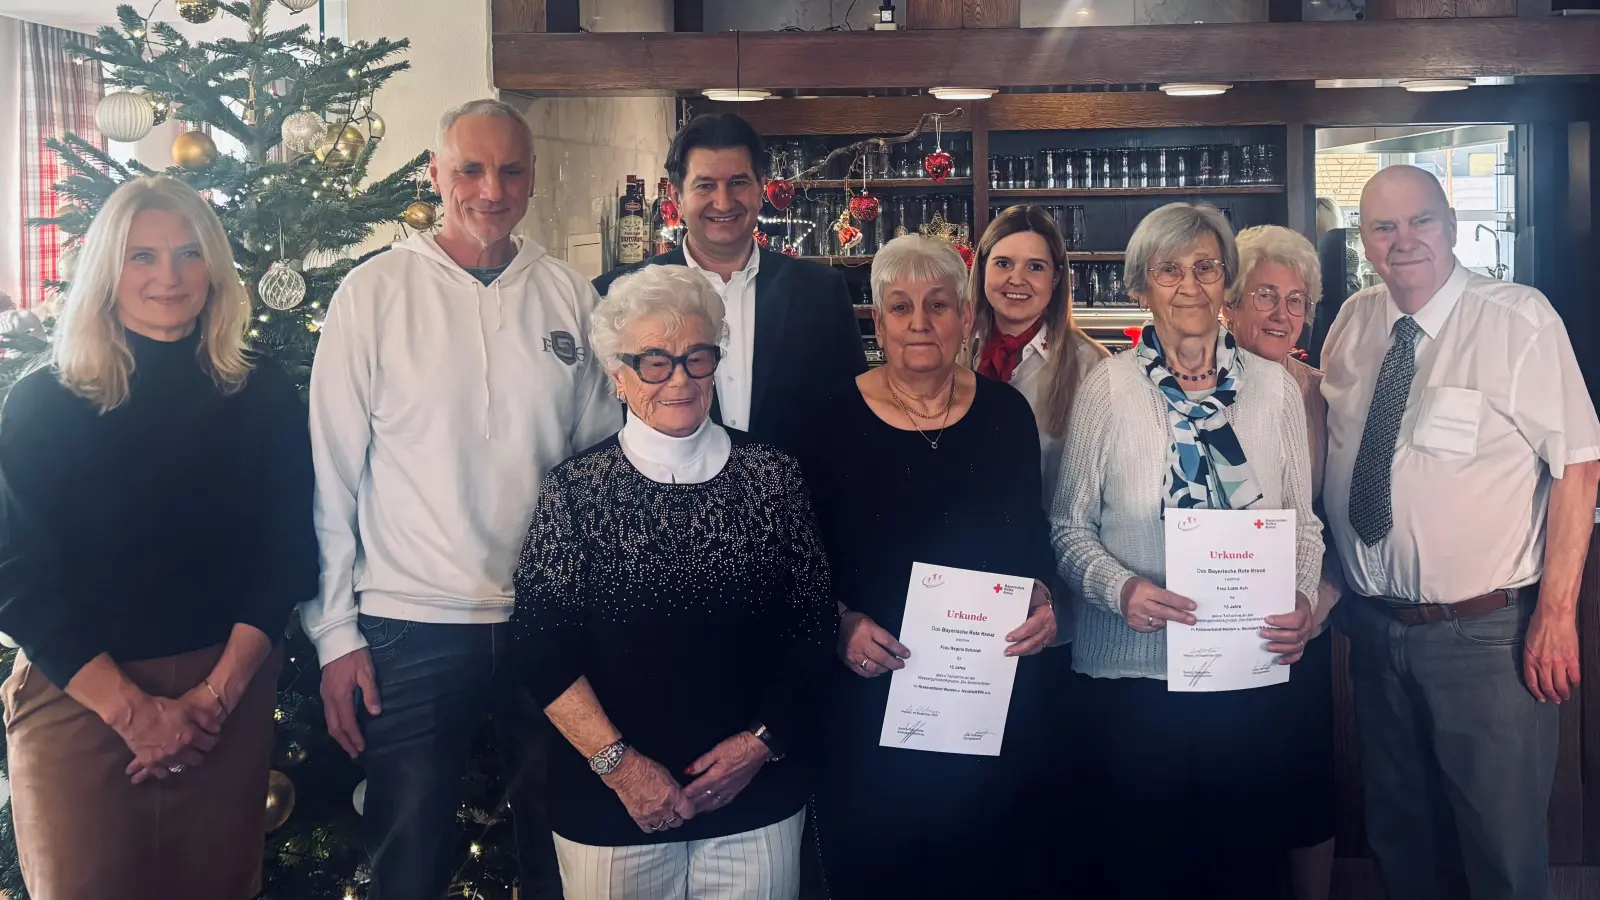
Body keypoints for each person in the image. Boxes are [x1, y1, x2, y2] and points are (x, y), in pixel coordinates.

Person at [302, 99, 623, 900]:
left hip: (544, 623)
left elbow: (597, 470)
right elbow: (331, 473)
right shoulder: (372, 293)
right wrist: (334, 632)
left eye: (511, 169)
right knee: (406, 866)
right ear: (436, 175)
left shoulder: (569, 298)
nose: (491, 188)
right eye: (470, 170)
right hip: (409, 628)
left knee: (564, 855)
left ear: (533, 179)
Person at [0, 175, 318, 899]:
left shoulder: (260, 391)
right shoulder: (44, 401)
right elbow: (15, 575)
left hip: (226, 700)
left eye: (187, 254)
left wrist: (212, 699)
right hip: (81, 699)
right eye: (142, 256)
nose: (168, 277)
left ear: (214, 267)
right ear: (108, 270)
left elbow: (287, 553)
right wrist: (133, 712)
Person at [1321, 164, 1600, 900]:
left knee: (1500, 854)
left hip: (1484, 639)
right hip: (1375, 635)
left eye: (1420, 221)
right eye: (1383, 227)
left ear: (1450, 225)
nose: (1403, 240)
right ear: (1364, 242)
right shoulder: (1352, 322)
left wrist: (1558, 613)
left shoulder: (1516, 319)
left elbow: (1578, 464)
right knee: (1402, 844)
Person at [514, 264, 834, 900]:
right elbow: (540, 650)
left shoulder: (774, 479)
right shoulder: (576, 492)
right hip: (612, 804)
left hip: (757, 795)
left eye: (696, 357)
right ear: (618, 375)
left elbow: (813, 629)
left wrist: (759, 746)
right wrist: (623, 770)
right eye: (654, 362)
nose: (680, 379)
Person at [1051, 202, 1322, 900]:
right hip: (1133, 688)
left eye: (1206, 267)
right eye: (1170, 270)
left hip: (1246, 676)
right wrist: (1122, 590)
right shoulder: (1108, 388)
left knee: (1244, 869)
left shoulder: (1275, 390)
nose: (1190, 285)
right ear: (1142, 286)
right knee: (1146, 871)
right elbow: (1069, 529)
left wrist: (1299, 597)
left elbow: (1306, 524)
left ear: (1227, 281)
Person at [796, 234, 1058, 900]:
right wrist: (838, 622)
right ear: (877, 322)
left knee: (987, 871)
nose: (920, 322)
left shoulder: (1006, 415)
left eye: (938, 305)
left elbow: (1031, 548)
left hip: (986, 702)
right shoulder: (821, 419)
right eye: (901, 306)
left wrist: (1041, 604)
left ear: (966, 318)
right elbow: (791, 564)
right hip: (868, 701)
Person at [593, 113, 866, 452]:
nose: (723, 202)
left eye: (738, 182)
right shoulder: (616, 294)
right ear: (677, 198)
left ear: (760, 189)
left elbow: (849, 419)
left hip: (799, 501)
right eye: (705, 185)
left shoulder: (821, 291)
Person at [1222, 224, 1344, 900]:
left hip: (1299, 628)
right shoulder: (1195, 384)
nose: (1280, 313)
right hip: (1209, 626)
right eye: (1264, 294)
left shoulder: (1322, 394)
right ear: (1229, 304)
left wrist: (1316, 602)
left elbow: (1342, 517)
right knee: (1227, 788)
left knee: (1302, 786)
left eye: (1297, 300)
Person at [969, 204, 1108, 505]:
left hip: (1050, 547)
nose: (1017, 279)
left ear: (1056, 278)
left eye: (1035, 267)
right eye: (1003, 263)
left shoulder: (1092, 367)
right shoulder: (954, 352)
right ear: (982, 269)